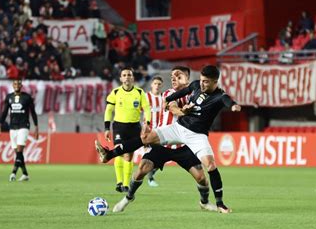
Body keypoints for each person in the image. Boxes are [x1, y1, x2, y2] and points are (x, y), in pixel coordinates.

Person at [95, 65, 241, 213]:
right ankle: (112, 160)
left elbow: (227, 100)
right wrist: (179, 110)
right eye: (173, 77)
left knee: (208, 169)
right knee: (144, 150)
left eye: (179, 77)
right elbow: (173, 105)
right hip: (177, 131)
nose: (202, 84)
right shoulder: (182, 89)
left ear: (215, 82)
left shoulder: (216, 95)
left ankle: (215, 203)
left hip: (194, 138)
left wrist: (234, 106)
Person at [104, 67, 151, 193]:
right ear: (120, 78)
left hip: (134, 127)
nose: (127, 77)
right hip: (119, 126)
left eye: (129, 75)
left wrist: (147, 123)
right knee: (119, 151)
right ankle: (119, 182)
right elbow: (108, 110)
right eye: (124, 75)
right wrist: (106, 128)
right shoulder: (115, 92)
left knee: (129, 155)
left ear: (133, 78)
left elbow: (147, 108)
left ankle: (125, 184)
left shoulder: (140, 92)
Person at [0, 79, 38, 181]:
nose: (17, 85)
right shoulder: (9, 97)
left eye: (18, 84)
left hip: (23, 126)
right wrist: (0, 124)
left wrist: (36, 127)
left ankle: (13, 173)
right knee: (18, 154)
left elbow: (33, 112)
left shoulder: (27, 97)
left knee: (19, 150)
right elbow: (5, 112)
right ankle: (25, 174)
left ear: (21, 85)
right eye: (15, 84)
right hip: (13, 127)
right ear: (12, 85)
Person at [145, 76, 164, 187]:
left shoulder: (164, 98)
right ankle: (149, 178)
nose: (157, 85)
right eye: (155, 83)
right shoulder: (146, 97)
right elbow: (139, 113)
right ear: (151, 85)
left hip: (161, 132)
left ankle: (150, 174)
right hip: (149, 132)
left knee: (161, 158)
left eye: (159, 84)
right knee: (153, 156)